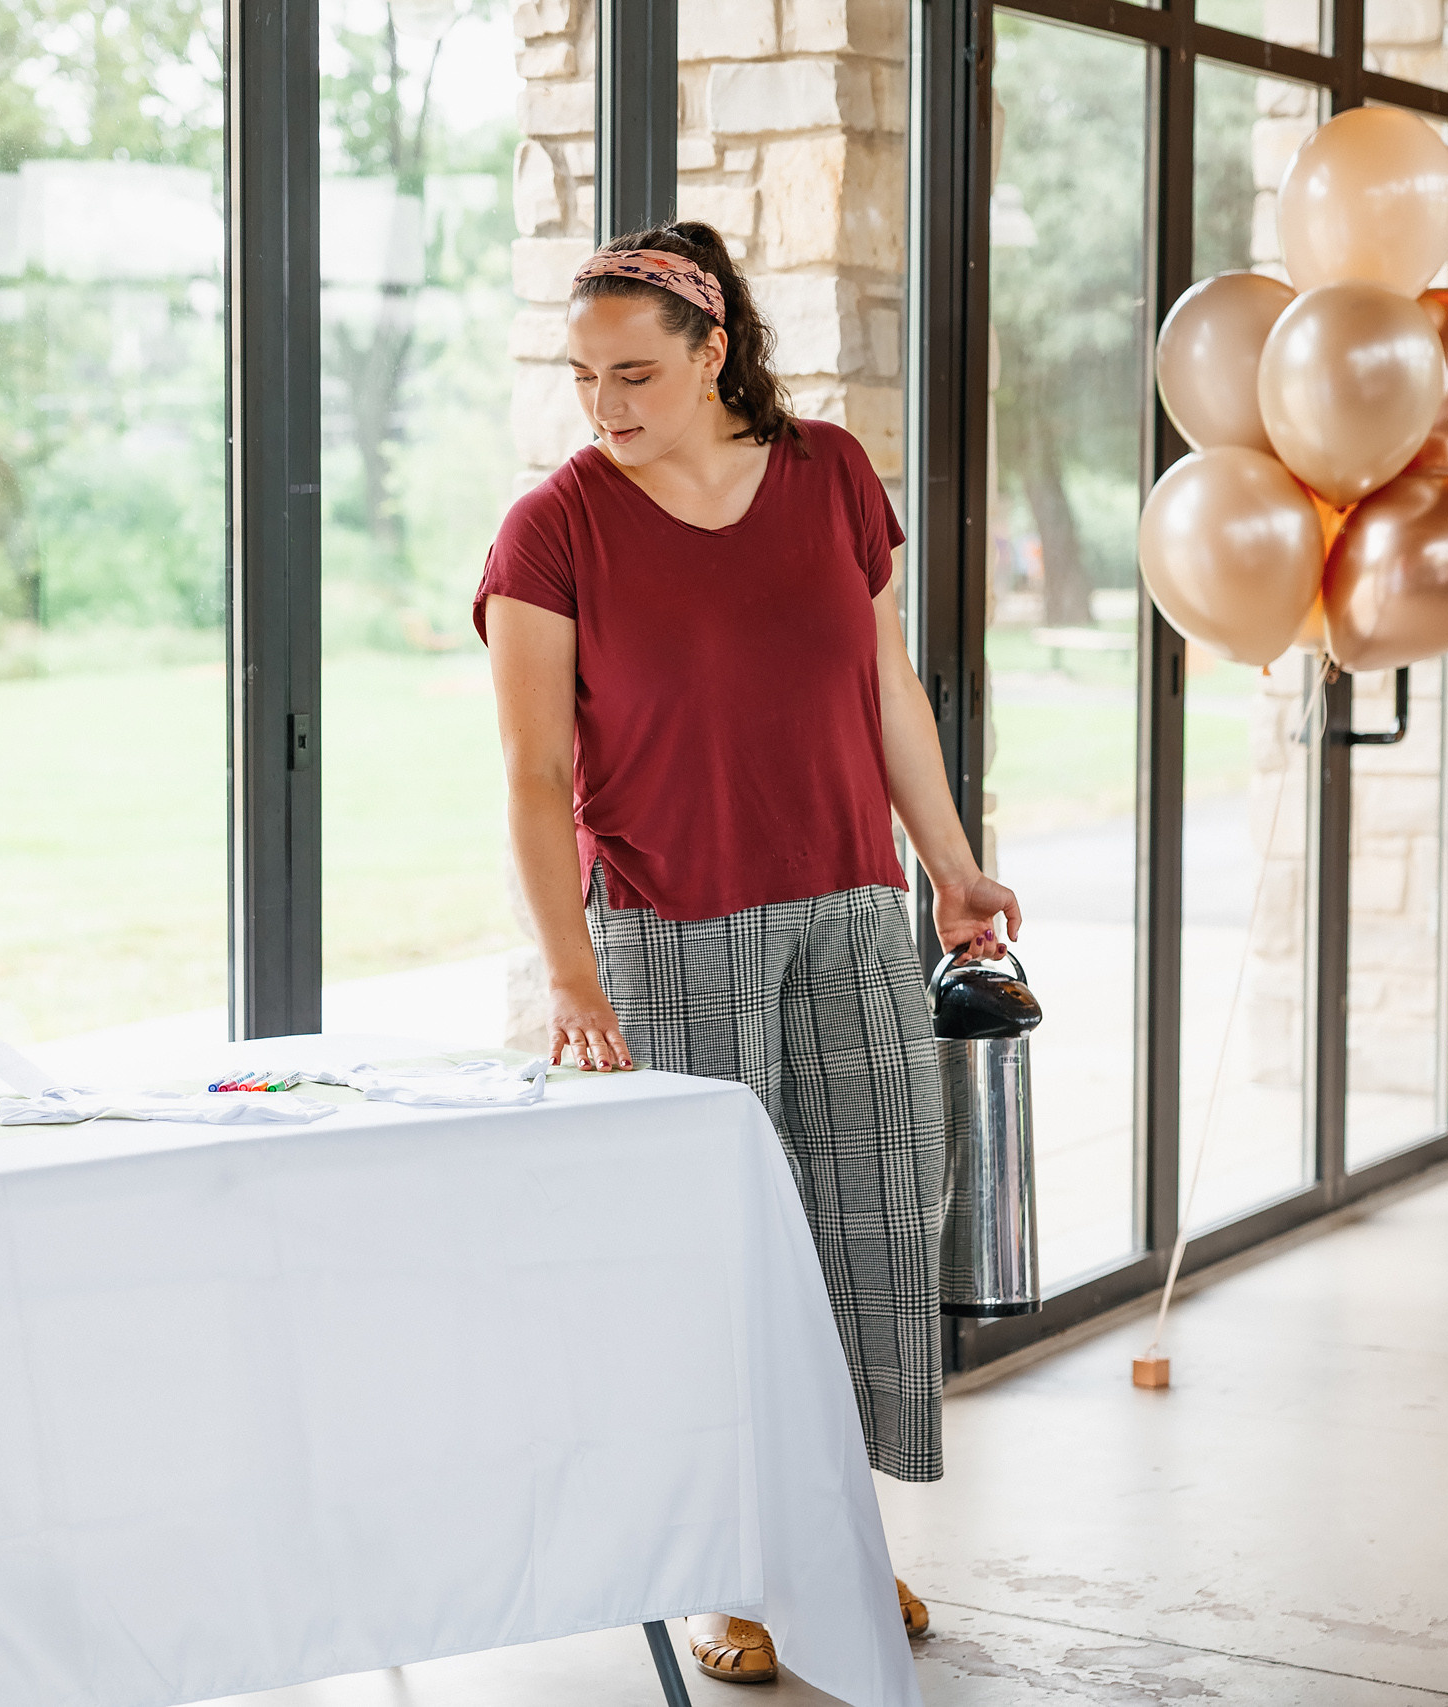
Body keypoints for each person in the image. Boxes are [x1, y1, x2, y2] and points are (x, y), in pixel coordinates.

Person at [474, 223, 1021, 1685]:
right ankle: (725, 1565)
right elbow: (533, 777)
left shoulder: (831, 475)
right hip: (666, 932)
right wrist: (572, 978)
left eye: (637, 372)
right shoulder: (555, 526)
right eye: (585, 376)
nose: (607, 404)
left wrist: (953, 870)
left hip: (849, 911)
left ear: (718, 353)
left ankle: (832, 1550)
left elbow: (885, 684)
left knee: (872, 1229)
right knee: (713, 1266)